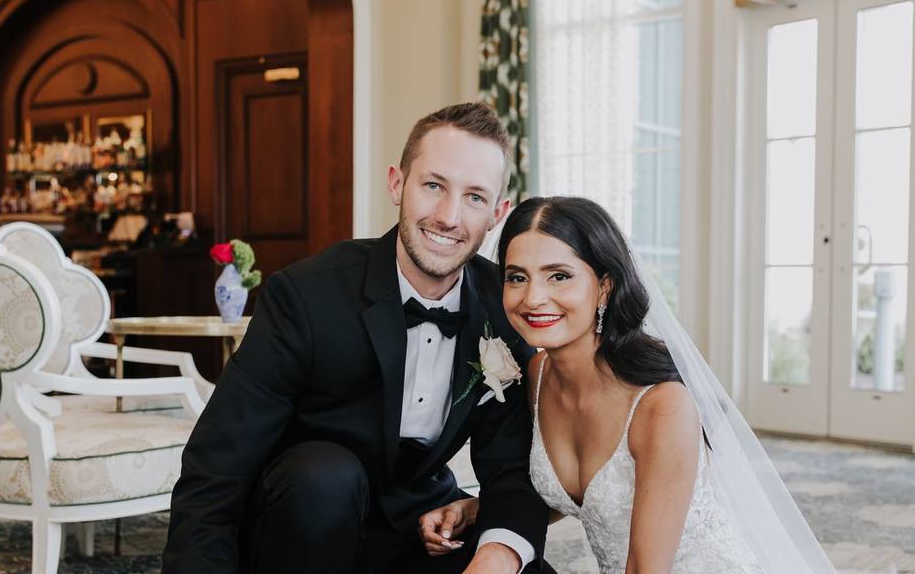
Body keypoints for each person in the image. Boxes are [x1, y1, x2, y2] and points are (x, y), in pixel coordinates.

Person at [162, 103, 551, 574]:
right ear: (396, 184)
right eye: (433, 185)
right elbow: (217, 467)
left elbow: (511, 468)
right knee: (324, 476)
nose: (449, 217)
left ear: (498, 213)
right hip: (304, 516)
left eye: (474, 197)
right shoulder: (306, 295)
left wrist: (497, 556)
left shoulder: (505, 304)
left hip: (422, 519)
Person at [422, 196, 836, 573]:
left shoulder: (662, 407)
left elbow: (644, 566)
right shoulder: (537, 375)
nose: (533, 298)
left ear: (604, 286)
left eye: (559, 276)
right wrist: (477, 509)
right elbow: (582, 498)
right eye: (517, 277)